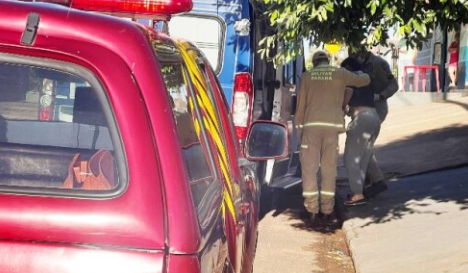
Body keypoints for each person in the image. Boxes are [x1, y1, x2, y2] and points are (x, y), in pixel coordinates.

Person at [295, 51, 370, 225]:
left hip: (311, 129)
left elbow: (301, 106)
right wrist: (362, 73)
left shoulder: (307, 77)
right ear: (327, 61)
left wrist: (299, 131)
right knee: (329, 171)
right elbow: (364, 80)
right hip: (332, 129)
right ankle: (327, 211)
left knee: (310, 171)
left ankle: (312, 210)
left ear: (314, 63)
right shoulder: (340, 73)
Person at [350, 47, 399, 198]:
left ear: (362, 53)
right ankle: (368, 181)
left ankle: (376, 181)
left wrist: (381, 96)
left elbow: (394, 85)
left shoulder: (379, 64)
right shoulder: (355, 66)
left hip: (376, 109)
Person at [341, 57, 381, 206]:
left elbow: (348, 93)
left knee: (351, 159)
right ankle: (358, 192)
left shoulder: (352, 79)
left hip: (361, 120)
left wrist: (342, 105)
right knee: (363, 159)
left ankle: (357, 194)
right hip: (374, 118)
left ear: (348, 68)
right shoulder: (366, 78)